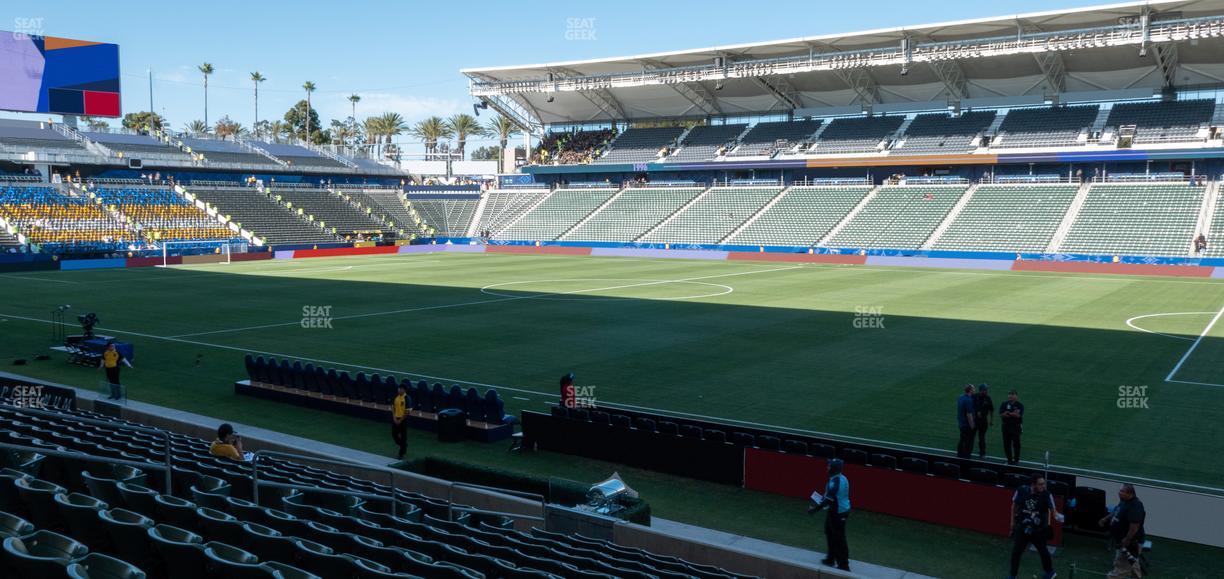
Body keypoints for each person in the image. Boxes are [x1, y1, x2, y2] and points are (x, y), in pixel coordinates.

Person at [1008, 473, 1058, 579]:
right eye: (1040, 484)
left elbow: (1054, 511)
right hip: (1022, 527)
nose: (1043, 486)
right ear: (1033, 484)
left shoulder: (1047, 494)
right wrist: (1012, 523)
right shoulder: (1021, 490)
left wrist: (1059, 516)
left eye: (1044, 484)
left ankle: (1050, 572)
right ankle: (1012, 576)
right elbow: (1014, 506)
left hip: (1038, 530)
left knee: (1043, 551)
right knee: (1016, 552)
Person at [807, 458, 851, 571]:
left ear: (834, 469)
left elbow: (828, 500)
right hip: (834, 510)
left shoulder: (835, 482)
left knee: (839, 538)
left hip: (839, 513)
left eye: (829, 466)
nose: (827, 467)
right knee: (829, 532)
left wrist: (814, 510)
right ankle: (830, 559)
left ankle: (844, 565)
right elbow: (829, 498)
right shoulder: (839, 478)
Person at [1099, 484, 1146, 578]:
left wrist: (1127, 539)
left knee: (1121, 566)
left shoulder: (1135, 506)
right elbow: (1117, 511)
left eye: (1122, 491)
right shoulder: (1124, 501)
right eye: (1120, 491)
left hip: (1130, 543)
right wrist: (1105, 519)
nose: (1119, 493)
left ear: (1130, 493)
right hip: (1122, 540)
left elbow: (1134, 526)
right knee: (1133, 564)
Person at [1000, 389, 1025, 465]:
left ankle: (1016, 459)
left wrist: (1008, 413)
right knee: (1006, 444)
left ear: (1016, 396)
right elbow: (1001, 414)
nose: (1010, 395)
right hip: (1006, 426)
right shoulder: (1004, 404)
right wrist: (1012, 413)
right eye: (1009, 394)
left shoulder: (1020, 405)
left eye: (1012, 394)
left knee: (1016, 443)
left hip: (1016, 427)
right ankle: (1009, 460)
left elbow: (1018, 415)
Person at [973, 384, 994, 459]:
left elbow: (991, 409)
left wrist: (991, 420)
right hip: (974, 420)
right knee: (971, 436)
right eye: (985, 390)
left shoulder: (988, 398)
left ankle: (982, 453)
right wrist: (976, 412)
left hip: (983, 420)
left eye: (986, 390)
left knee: (982, 437)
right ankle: (968, 451)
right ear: (981, 390)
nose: (986, 391)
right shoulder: (974, 396)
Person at [956, 385, 977, 458]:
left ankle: (959, 455)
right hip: (967, 425)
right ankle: (966, 457)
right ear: (970, 390)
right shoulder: (969, 400)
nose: (974, 390)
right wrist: (972, 425)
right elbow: (969, 414)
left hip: (961, 423)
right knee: (968, 441)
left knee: (962, 439)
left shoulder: (960, 397)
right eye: (973, 389)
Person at [391, 383, 409, 459]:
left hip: (404, 419)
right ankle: (403, 445)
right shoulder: (396, 397)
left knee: (403, 436)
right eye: (399, 388)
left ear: (404, 390)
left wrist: (400, 420)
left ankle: (401, 454)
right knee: (394, 434)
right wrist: (394, 418)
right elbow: (393, 408)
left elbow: (407, 412)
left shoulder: (407, 399)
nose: (399, 390)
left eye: (401, 389)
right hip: (396, 418)